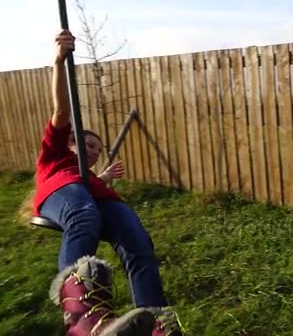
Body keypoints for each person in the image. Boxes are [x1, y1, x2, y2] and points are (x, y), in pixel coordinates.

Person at [30, 29, 184, 336]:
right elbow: (61, 109)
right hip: (61, 193)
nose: (93, 151)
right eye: (87, 145)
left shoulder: (90, 181)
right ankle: (80, 314)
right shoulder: (55, 156)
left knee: (139, 245)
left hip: (92, 196)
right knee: (83, 213)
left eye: (97, 150)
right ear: (70, 143)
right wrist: (59, 63)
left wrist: (103, 179)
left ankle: (153, 321)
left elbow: (88, 186)